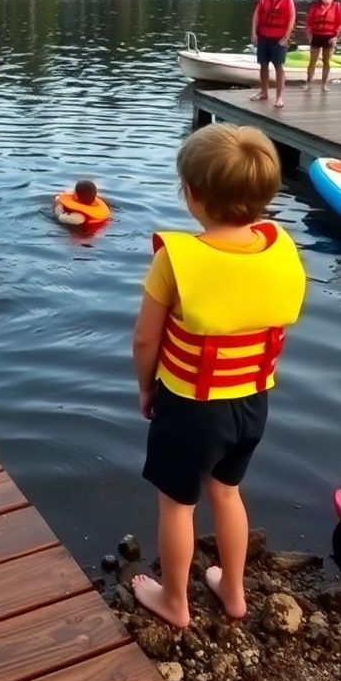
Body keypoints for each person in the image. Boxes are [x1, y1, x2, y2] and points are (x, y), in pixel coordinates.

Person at [130, 124, 307, 628]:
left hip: (190, 406)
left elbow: (145, 340)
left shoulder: (175, 260)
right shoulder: (279, 246)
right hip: (253, 401)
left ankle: (175, 602)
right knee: (227, 493)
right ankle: (232, 592)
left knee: (177, 505)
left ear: (193, 194)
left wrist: (147, 387)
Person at [250, 0, 295, 108]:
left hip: (279, 38)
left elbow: (291, 19)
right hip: (264, 36)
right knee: (263, 64)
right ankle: (264, 92)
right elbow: (256, 16)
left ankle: (279, 97)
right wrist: (254, 34)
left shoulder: (287, 0)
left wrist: (286, 37)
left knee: (278, 66)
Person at [304, 0, 341, 92]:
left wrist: (335, 36)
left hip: (329, 36)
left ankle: (324, 84)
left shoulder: (337, 6)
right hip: (316, 35)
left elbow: (339, 23)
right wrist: (309, 33)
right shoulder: (315, 6)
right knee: (312, 61)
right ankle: (308, 83)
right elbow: (309, 21)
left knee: (326, 61)